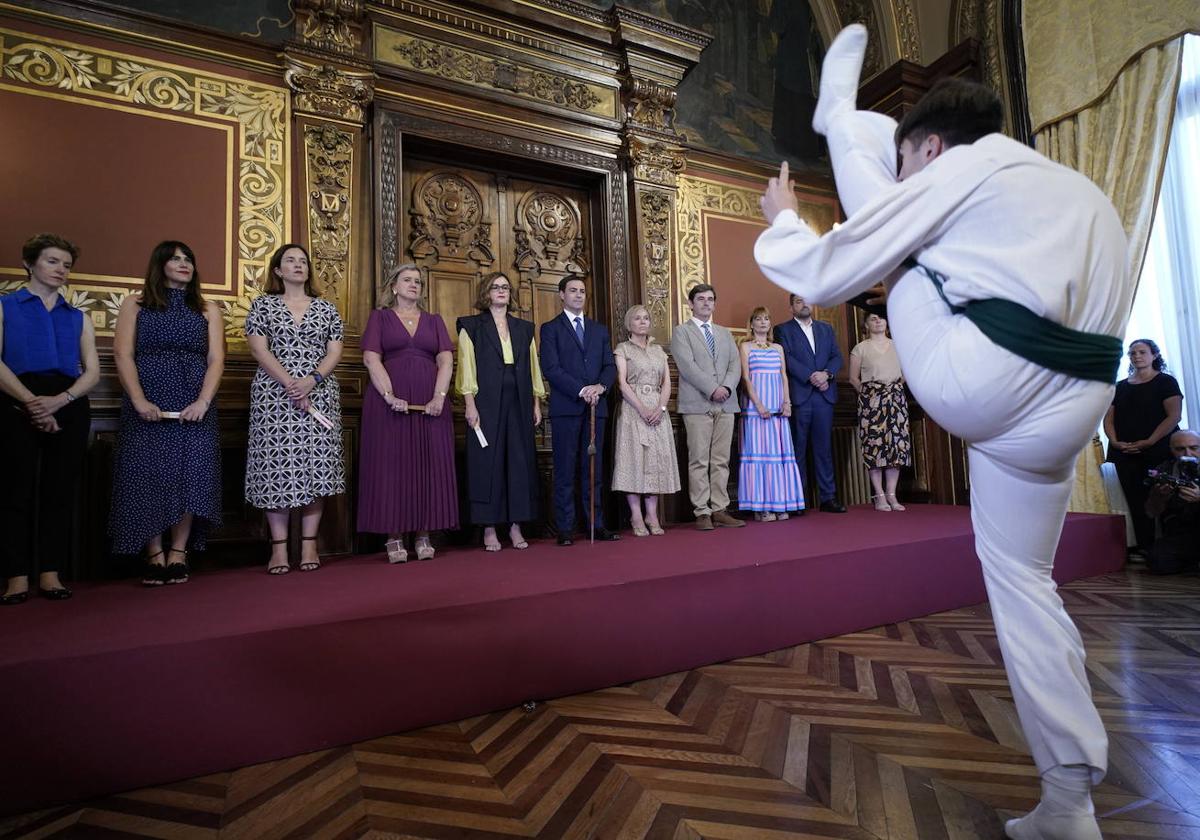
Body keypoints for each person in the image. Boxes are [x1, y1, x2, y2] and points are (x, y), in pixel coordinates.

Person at [754, 25, 1134, 839]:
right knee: (1027, 583)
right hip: (1071, 412)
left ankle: (836, 116)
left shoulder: (959, 167)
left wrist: (787, 222)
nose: (902, 177)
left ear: (927, 147)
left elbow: (827, 271)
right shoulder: (1080, 191)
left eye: (901, 161)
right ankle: (1070, 804)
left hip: (983, 384)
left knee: (901, 249)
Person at [110, 241, 224, 585]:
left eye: (188, 258)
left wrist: (203, 401)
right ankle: (153, 553)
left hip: (195, 401)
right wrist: (139, 400)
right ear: (159, 265)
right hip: (148, 400)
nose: (183, 263)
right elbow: (122, 354)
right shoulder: (136, 304)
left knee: (192, 474)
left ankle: (179, 552)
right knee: (148, 474)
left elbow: (216, 358)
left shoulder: (207, 307)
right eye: (175, 258)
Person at [0, 234, 99, 605]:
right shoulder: (6, 306)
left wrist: (59, 401)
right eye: (52, 261)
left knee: (59, 492)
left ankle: (50, 572)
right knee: (14, 490)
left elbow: (92, 372)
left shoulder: (78, 316)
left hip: (68, 403)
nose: (61, 270)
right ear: (30, 264)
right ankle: (15, 576)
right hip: (14, 401)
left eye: (66, 264)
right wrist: (32, 404)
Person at [245, 243, 345, 574]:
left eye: (303, 261)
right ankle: (278, 549)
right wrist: (291, 383)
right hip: (275, 395)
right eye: (291, 261)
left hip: (318, 394)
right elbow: (260, 351)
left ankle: (309, 545)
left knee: (316, 467)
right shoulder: (262, 305)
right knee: (277, 467)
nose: (298, 265)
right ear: (278, 270)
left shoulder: (326, 308)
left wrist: (311, 381)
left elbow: (334, 352)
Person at [358, 263, 457, 563]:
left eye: (418, 282)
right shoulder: (381, 318)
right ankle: (393, 535)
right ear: (394, 287)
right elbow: (371, 359)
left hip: (430, 404)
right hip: (388, 406)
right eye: (407, 280)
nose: (414, 285)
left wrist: (439, 397)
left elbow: (446, 360)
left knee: (427, 465)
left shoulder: (434, 320)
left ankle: (423, 533)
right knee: (392, 468)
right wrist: (389, 395)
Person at [456, 272, 545, 552]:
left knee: (519, 462)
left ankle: (516, 525)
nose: (501, 291)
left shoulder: (524, 328)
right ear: (486, 293)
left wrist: (536, 403)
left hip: (519, 399)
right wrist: (470, 404)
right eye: (496, 287)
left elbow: (534, 368)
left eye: (505, 287)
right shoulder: (471, 326)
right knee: (487, 463)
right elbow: (466, 366)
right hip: (486, 401)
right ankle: (489, 527)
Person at [539, 274, 619, 545]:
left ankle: (595, 525)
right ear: (561, 295)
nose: (578, 295)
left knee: (592, 469)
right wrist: (581, 389)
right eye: (572, 291)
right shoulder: (551, 328)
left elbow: (610, 366)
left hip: (598, 409)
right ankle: (565, 528)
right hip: (567, 408)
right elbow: (551, 368)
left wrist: (600, 387)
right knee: (565, 471)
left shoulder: (599, 330)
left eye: (582, 291)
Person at [669, 284, 744, 531]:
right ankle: (702, 511)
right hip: (697, 403)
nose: (705, 303)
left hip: (727, 403)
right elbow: (687, 366)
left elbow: (735, 365)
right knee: (699, 459)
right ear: (690, 304)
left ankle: (720, 509)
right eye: (700, 299)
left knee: (721, 460)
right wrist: (713, 388)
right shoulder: (681, 332)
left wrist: (727, 388)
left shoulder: (724, 333)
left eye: (710, 299)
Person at [1103, 339, 1183, 555]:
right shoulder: (1119, 386)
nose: (1136, 356)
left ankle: (1171, 549)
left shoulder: (1166, 382)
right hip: (1124, 451)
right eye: (1132, 353)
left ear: (1154, 355)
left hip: (1157, 449)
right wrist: (1115, 441)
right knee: (1135, 500)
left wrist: (1149, 441)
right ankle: (1146, 548)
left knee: (1163, 497)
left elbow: (1173, 416)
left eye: (1142, 352)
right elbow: (1109, 419)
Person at [612, 305, 680, 535]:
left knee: (655, 461)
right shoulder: (623, 349)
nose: (642, 322)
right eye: (637, 318)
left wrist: (660, 408)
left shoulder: (659, 351)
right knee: (634, 460)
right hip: (634, 408)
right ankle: (636, 515)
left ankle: (652, 515)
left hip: (657, 409)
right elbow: (621, 382)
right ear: (629, 324)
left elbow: (667, 383)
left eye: (646, 318)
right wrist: (641, 408)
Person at [775, 294, 846, 512]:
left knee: (824, 449)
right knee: (799, 449)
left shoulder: (826, 329)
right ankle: (798, 499)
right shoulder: (783, 330)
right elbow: (786, 358)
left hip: (824, 396)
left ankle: (828, 497)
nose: (804, 304)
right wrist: (811, 376)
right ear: (791, 308)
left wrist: (826, 374)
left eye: (807, 300)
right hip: (800, 395)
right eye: (798, 301)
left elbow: (837, 357)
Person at [738, 307, 805, 521]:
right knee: (760, 456)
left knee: (778, 456)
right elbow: (746, 379)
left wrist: (787, 402)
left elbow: (783, 376)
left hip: (778, 410)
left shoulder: (777, 348)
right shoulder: (745, 347)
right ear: (751, 323)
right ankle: (761, 507)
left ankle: (779, 503)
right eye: (758, 319)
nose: (763, 322)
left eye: (766, 318)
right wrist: (758, 404)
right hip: (756, 410)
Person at [848, 312, 911, 511]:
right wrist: (870, 396)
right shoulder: (860, 348)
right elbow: (853, 378)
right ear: (866, 324)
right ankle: (879, 495)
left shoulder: (899, 345)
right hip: (871, 400)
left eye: (881, 318)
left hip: (896, 399)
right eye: (873, 318)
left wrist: (892, 390)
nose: (878, 321)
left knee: (896, 445)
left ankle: (892, 494)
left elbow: (907, 373)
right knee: (874, 445)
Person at [1143, 429, 1200, 575]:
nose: (1188, 454)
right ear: (1172, 450)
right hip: (1182, 532)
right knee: (1157, 560)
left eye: (1194, 448)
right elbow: (1151, 512)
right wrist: (1159, 497)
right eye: (1180, 449)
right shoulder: (1165, 470)